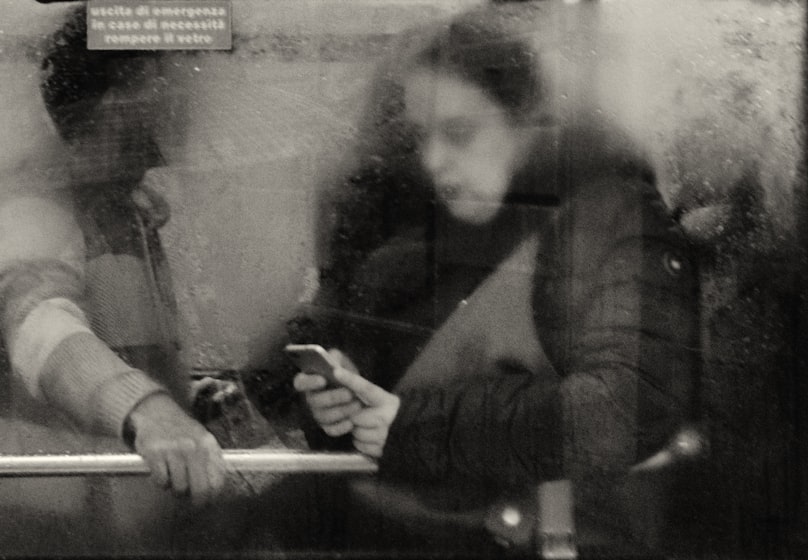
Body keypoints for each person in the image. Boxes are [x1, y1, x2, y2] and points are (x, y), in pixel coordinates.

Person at [292, 6, 701, 556]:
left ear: (527, 122)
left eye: (460, 133)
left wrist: (418, 430)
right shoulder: (412, 243)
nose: (434, 161)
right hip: (405, 526)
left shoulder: (607, 218)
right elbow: (384, 402)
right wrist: (339, 408)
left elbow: (626, 406)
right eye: (421, 138)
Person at [0, 4, 227, 555]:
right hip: (51, 531)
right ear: (132, 90)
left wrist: (182, 393)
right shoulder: (30, 214)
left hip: (128, 527)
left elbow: (113, 343)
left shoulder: (125, 212)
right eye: (181, 75)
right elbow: (42, 327)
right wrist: (148, 410)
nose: (196, 99)